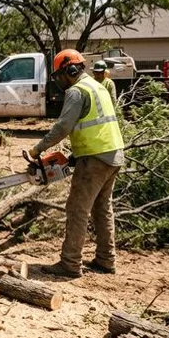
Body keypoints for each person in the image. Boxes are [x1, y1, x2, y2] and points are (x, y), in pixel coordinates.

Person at [29, 49, 125, 278]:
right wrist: (74, 156)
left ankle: (70, 263)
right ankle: (106, 259)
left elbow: (63, 127)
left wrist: (37, 149)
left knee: (77, 209)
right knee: (102, 209)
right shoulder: (98, 87)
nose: (59, 80)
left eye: (59, 75)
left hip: (95, 159)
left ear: (69, 70)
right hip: (113, 155)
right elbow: (94, 125)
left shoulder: (76, 91)